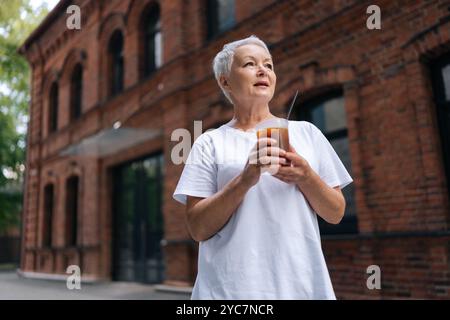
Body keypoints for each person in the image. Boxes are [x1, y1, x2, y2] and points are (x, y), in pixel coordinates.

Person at [173, 35, 353, 299]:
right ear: (225, 81)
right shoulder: (208, 142)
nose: (262, 71)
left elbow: (336, 212)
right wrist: (245, 179)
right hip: (228, 292)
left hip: (301, 288)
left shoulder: (307, 133)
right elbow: (198, 227)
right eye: (249, 64)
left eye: (268, 65)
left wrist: (306, 176)